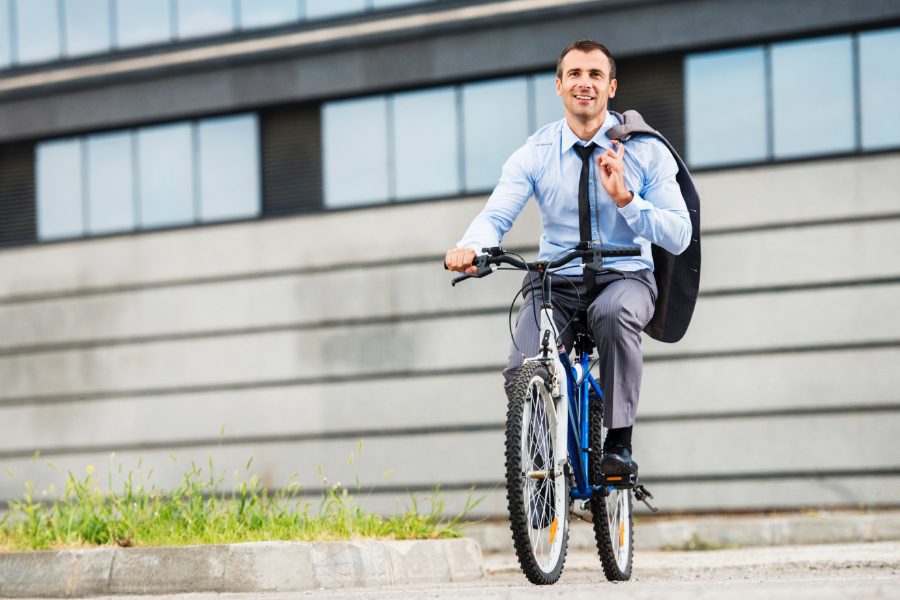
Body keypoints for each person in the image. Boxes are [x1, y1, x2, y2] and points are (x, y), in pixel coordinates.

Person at [444, 39, 691, 476]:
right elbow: (496, 214)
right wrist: (472, 248)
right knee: (521, 366)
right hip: (557, 281)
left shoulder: (644, 150)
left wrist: (628, 200)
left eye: (595, 75)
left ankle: (618, 444)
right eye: (574, 74)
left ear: (611, 88)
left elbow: (678, 234)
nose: (585, 83)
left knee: (614, 315)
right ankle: (543, 470)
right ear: (558, 86)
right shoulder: (535, 154)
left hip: (626, 276)